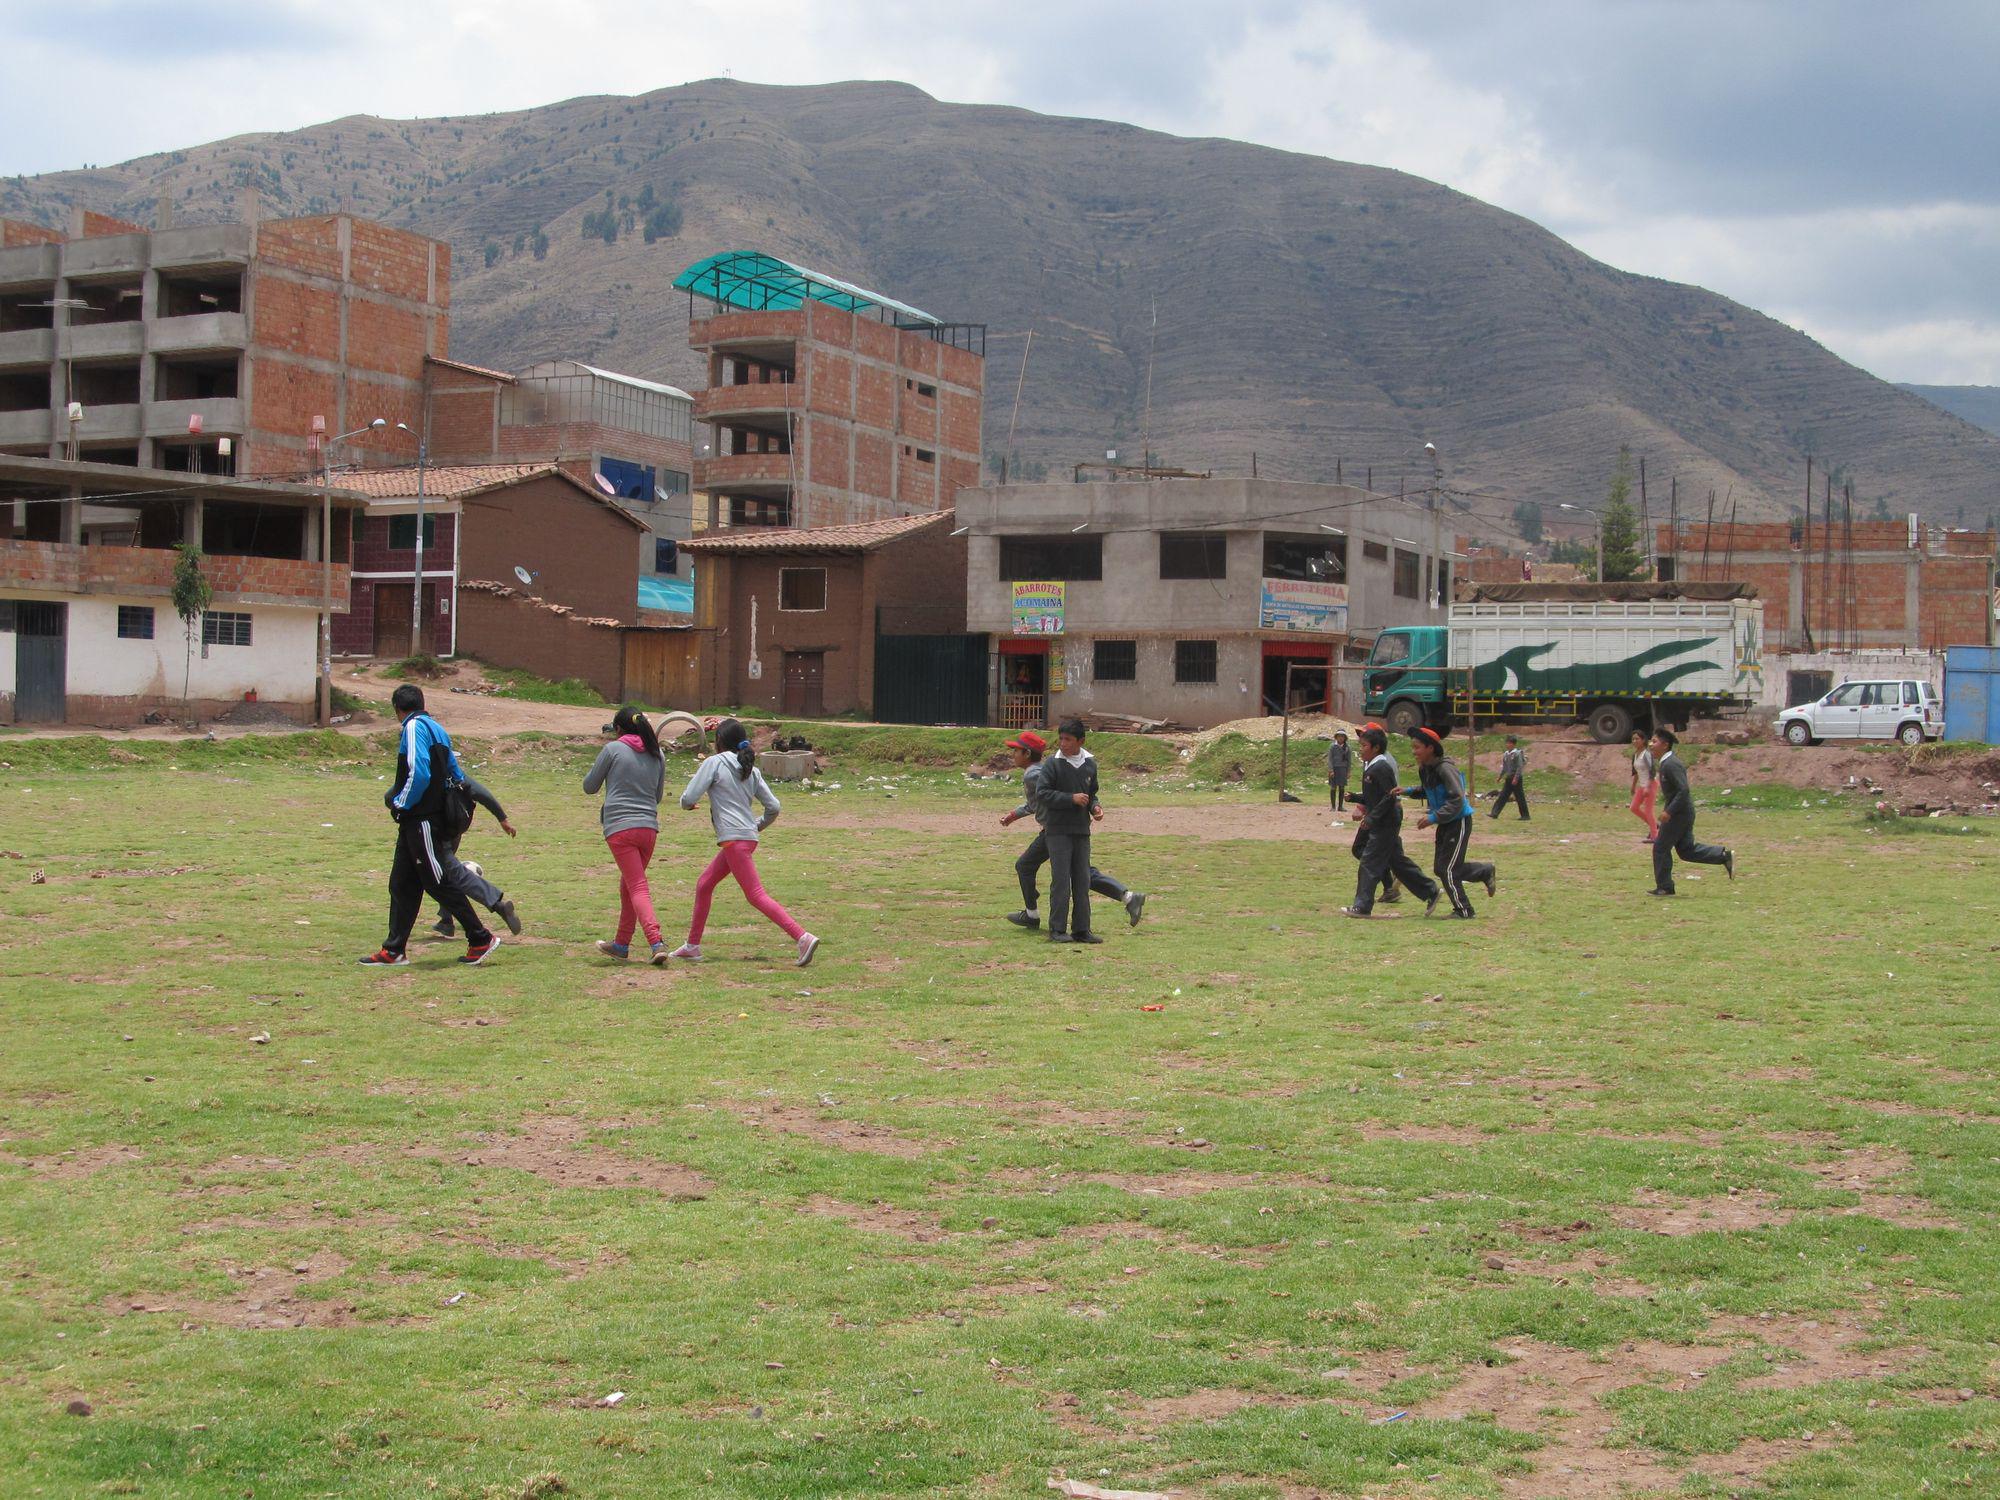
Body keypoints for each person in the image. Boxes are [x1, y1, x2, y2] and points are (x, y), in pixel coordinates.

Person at [358, 685, 498, 966]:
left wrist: (400, 804)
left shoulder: (411, 728)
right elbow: (456, 774)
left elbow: (418, 772)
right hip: (421, 821)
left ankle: (480, 937)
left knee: (437, 882)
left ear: (397, 708)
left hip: (421, 820)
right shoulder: (437, 728)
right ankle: (394, 949)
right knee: (401, 884)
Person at [671, 718, 819, 966]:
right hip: (746, 839)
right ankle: (692, 946)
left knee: (755, 895)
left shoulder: (714, 763)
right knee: (704, 885)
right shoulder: (752, 769)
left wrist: (689, 806)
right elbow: (774, 807)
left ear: (718, 741)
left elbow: (688, 798)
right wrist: (755, 826)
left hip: (733, 840)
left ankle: (802, 937)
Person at [1000, 730, 1145, 929]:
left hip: (1056, 829)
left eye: (1015, 750)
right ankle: (1128, 897)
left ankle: (1033, 916)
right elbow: (1037, 802)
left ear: (1026, 753)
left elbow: (1049, 797)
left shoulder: (1034, 774)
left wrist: (1087, 806)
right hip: (1058, 828)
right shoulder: (1039, 771)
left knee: (1031, 867)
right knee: (1076, 871)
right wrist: (1013, 815)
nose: (1012, 755)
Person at [584, 705, 669, 964]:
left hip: (620, 828)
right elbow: (657, 797)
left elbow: (589, 786)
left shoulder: (613, 749)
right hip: (648, 829)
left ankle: (656, 942)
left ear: (618, 729)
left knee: (637, 887)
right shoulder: (658, 753)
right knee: (629, 885)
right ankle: (621, 944)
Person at [1342, 724, 1441, 918]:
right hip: (1379, 819)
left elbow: (1389, 798)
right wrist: (1355, 798)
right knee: (1395, 861)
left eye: (1364, 745)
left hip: (1386, 821)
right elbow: (1375, 797)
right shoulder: (1371, 766)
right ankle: (1431, 891)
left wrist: (1371, 817)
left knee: (1370, 862)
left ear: (1376, 747)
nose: (1361, 749)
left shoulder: (1382, 767)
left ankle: (1362, 907)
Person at [1403, 726, 1495, 918]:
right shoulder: (1426, 769)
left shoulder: (1446, 768)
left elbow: (1457, 800)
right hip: (1445, 823)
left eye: (1417, 747)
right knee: (1442, 868)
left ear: (1431, 748)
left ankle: (1464, 910)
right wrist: (1408, 791)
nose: (1414, 751)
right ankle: (1484, 871)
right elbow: (1428, 790)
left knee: (1448, 869)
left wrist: (1433, 817)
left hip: (1458, 821)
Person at [428, 772, 522, 940]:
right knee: (441, 875)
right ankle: (446, 921)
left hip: (432, 835)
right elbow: (483, 794)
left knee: (451, 874)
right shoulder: (454, 772)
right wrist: (503, 819)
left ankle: (496, 905)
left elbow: (391, 796)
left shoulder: (424, 771)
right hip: (453, 831)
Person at [1034, 718, 1103, 945]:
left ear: (1080, 741)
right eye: (1060, 738)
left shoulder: (1090, 764)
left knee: (1082, 881)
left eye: (1068, 739)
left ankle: (1082, 930)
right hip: (1057, 830)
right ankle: (1057, 929)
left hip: (1081, 830)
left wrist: (1095, 807)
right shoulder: (1052, 764)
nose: (1062, 743)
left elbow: (1091, 793)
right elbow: (1042, 793)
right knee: (1061, 880)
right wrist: (1069, 798)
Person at [1648, 728, 1734, 896]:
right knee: (1687, 850)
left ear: (1665, 745)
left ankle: (1665, 887)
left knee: (1660, 848)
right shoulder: (1666, 763)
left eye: (1655, 741)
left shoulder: (1671, 764)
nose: (1651, 745)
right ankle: (1723, 856)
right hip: (1683, 813)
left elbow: (1683, 790)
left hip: (1678, 814)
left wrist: (1669, 812)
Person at [1346, 721, 1400, 905]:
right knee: (1391, 857)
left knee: (1374, 857)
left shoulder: (1384, 763)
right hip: (1377, 813)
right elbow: (1373, 792)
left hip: (1384, 816)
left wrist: (1368, 813)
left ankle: (1428, 890)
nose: (1361, 743)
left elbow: (1389, 794)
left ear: (1376, 744)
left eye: (1364, 738)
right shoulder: (1370, 761)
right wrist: (1355, 798)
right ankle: (1390, 887)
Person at [1629, 729, 1660, 843]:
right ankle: (1655, 826)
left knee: (1648, 810)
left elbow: (1652, 771)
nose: (1635, 741)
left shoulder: (1646, 754)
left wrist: (1648, 787)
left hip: (1650, 784)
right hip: (1642, 785)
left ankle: (1655, 836)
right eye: (1633, 739)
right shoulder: (1635, 755)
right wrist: (1633, 786)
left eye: (1637, 738)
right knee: (1634, 807)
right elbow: (1636, 772)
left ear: (1643, 740)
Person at [1490, 734, 1530, 820]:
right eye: (1506, 743)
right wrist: (1500, 777)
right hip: (1509, 778)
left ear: (1513, 744)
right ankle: (1494, 813)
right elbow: (1505, 767)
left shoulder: (1517, 754)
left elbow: (1519, 767)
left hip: (1516, 779)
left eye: (1508, 743)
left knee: (1520, 797)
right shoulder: (1506, 754)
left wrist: (1516, 778)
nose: (1507, 745)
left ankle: (1525, 815)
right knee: (1503, 796)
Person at [1326, 729, 1353, 812]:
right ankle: (1333, 806)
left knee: (1342, 788)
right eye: (1339, 736)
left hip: (1343, 769)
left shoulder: (1347, 748)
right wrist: (1331, 770)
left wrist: (1348, 771)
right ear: (1336, 737)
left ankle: (1340, 806)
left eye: (1342, 736)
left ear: (1345, 738)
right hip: (1334, 769)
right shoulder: (1332, 746)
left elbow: (1349, 760)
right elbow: (1330, 759)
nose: (1340, 738)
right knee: (1333, 787)